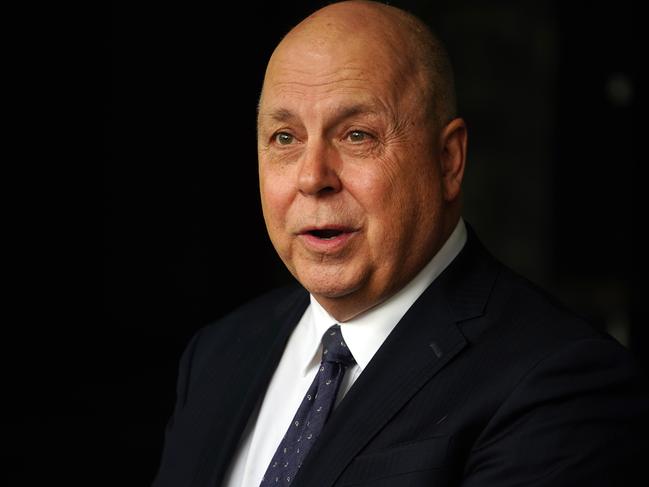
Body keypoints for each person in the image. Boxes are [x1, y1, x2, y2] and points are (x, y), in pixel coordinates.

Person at [152, 1, 648, 486]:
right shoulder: (218, 353)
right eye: (285, 138)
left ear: (449, 160)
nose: (312, 176)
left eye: (357, 135)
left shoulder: (562, 383)